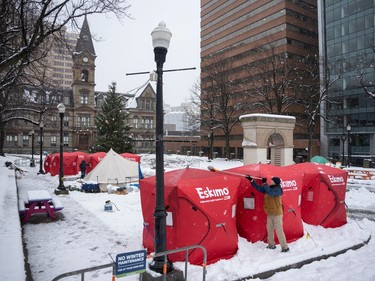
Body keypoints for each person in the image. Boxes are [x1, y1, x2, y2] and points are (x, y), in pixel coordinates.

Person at [246, 175, 289, 253]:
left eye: (272, 181)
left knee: (279, 230)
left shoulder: (278, 189)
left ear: (275, 182)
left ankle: (285, 247)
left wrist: (265, 183)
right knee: (269, 229)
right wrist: (252, 181)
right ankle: (271, 244)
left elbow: (271, 193)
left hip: (277, 213)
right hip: (270, 213)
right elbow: (259, 188)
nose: (270, 181)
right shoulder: (268, 188)